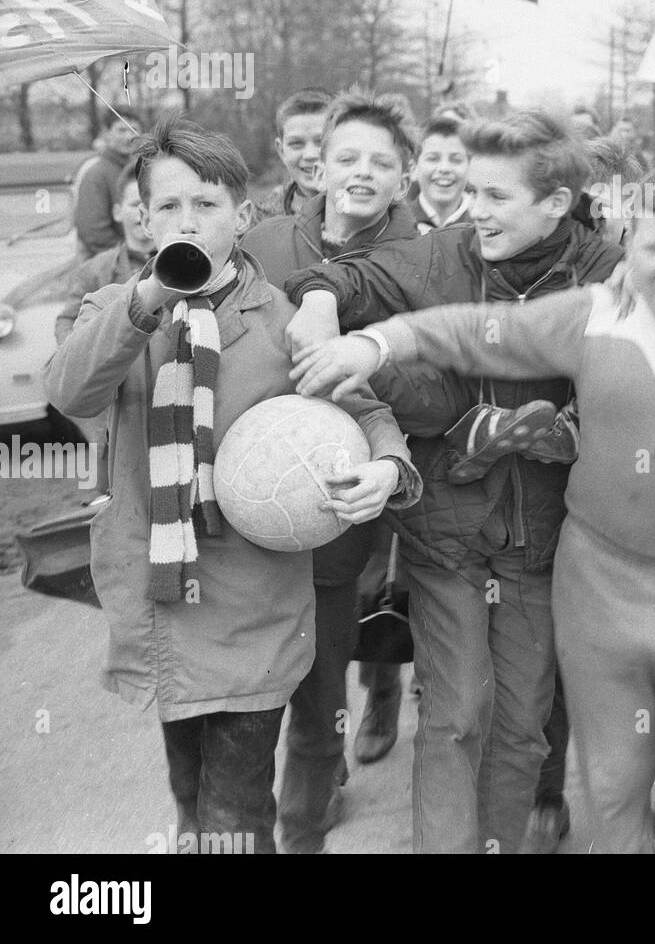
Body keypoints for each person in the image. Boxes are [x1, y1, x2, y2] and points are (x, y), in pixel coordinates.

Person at [290, 180, 655, 855]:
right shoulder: (591, 313)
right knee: (613, 786)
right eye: (653, 245)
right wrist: (371, 346)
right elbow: (472, 331)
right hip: (598, 584)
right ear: (624, 247)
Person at [44, 117, 417, 854]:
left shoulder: (279, 321)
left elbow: (366, 409)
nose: (189, 220)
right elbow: (71, 392)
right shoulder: (116, 310)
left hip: (253, 606)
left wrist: (384, 467)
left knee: (236, 812)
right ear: (143, 220)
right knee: (190, 802)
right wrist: (148, 295)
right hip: (161, 605)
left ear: (243, 218)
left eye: (207, 205)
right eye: (171, 206)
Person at [281, 110, 622, 854]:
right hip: (446, 533)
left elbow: (637, 385)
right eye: (472, 191)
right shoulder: (440, 255)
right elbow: (338, 273)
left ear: (556, 204)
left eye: (497, 197)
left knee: (522, 725)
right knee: (457, 713)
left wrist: (566, 430)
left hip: (544, 539)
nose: (477, 211)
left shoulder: (605, 271)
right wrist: (317, 303)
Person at [241, 89, 423, 852]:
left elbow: (432, 384)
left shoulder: (424, 256)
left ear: (405, 177)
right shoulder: (264, 241)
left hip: (341, 512)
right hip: (243, 516)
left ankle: (302, 829)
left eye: (381, 162)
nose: (360, 171)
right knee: (244, 708)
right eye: (345, 156)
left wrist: (365, 396)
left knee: (320, 704)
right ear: (317, 166)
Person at [56, 167, 153, 347]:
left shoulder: (180, 264)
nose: (142, 213)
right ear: (117, 212)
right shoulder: (92, 271)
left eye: (149, 204)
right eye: (134, 204)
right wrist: (77, 355)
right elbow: (66, 321)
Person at [252, 88, 330, 222]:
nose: (310, 155)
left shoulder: (370, 215)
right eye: (296, 143)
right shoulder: (260, 220)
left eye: (321, 141)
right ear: (281, 150)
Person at [73, 116, 139, 257]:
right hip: (109, 264)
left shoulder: (141, 170)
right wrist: (134, 255)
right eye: (121, 130)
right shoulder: (96, 174)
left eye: (134, 130)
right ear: (107, 133)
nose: (129, 136)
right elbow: (94, 233)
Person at [412, 115, 473, 232]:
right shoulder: (396, 225)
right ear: (414, 168)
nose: (444, 168)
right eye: (433, 158)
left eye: (456, 159)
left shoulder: (483, 226)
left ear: (470, 168)